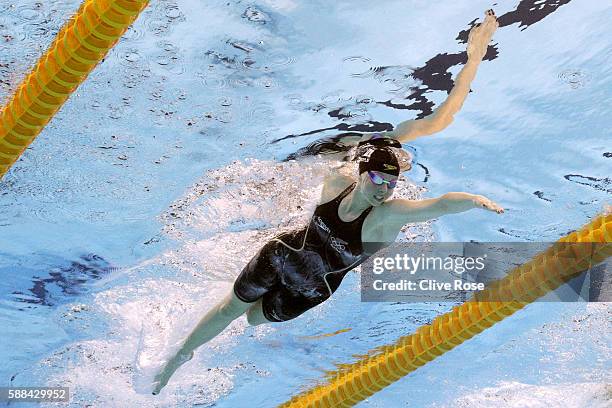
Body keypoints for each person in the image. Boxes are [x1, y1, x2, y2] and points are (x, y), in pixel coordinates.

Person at [152, 10, 500, 394]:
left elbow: (442, 144)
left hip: (313, 288)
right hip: (283, 253)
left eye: (393, 181)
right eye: (379, 178)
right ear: (361, 170)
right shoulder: (336, 177)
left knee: (252, 321)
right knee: (229, 310)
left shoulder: (389, 214)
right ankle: (178, 358)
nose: (386, 188)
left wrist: (475, 55)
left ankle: (225, 320)